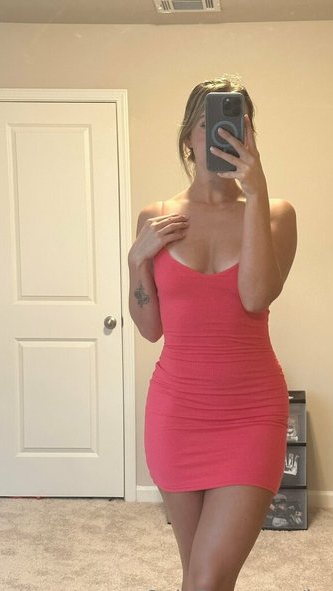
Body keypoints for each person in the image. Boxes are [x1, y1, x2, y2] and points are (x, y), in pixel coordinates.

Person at [128, 74, 297, 591]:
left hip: (251, 414)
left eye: (235, 122)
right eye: (208, 123)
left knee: (207, 577)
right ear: (188, 137)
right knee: (201, 576)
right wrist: (136, 261)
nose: (221, 133)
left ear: (250, 134)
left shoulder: (276, 214)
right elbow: (150, 328)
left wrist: (256, 190)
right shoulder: (156, 217)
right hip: (176, 412)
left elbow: (255, 297)